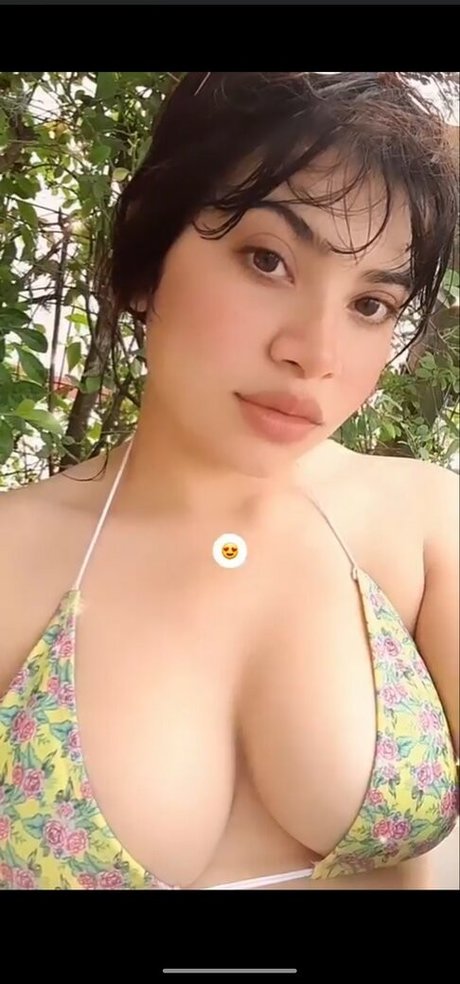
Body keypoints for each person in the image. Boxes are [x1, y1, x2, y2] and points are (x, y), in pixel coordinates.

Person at [0, 72, 458, 892]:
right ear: (146, 258)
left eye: (370, 305)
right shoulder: (14, 561)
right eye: (268, 260)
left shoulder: (424, 526)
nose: (314, 353)